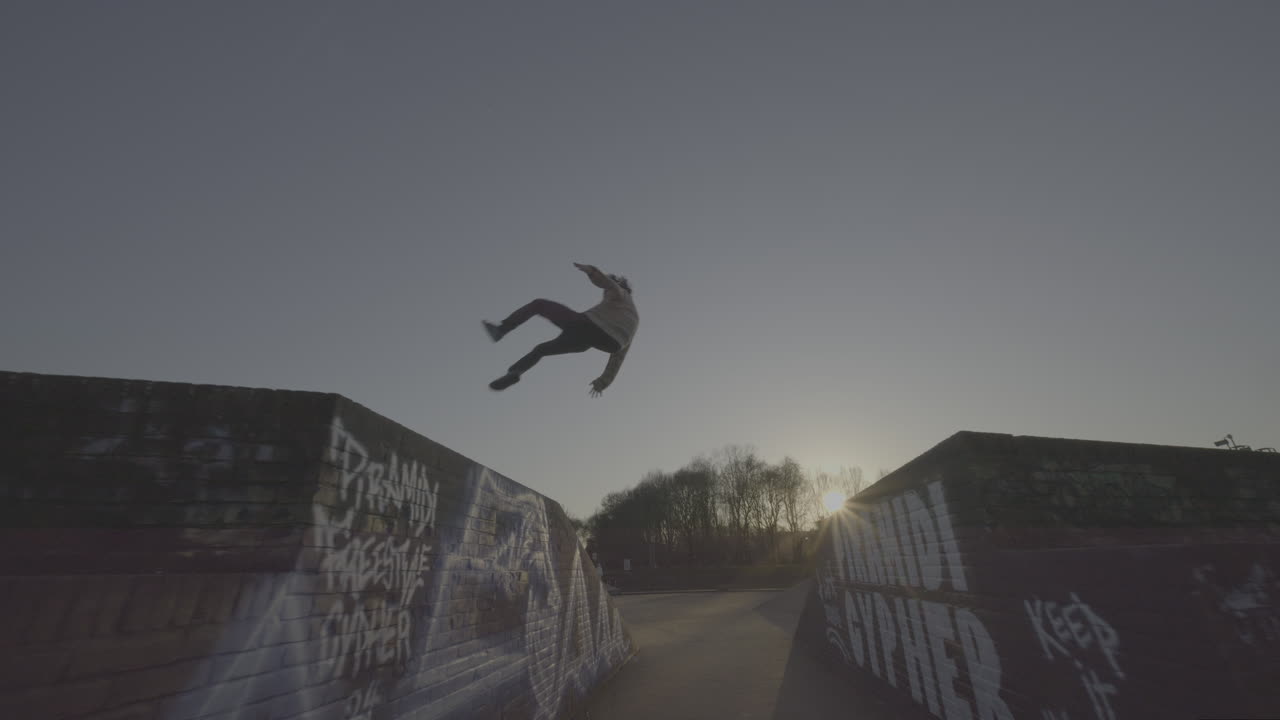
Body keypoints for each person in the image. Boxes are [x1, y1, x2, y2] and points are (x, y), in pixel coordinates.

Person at [483, 263, 638, 396]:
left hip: (585, 327)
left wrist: (591, 271)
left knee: (539, 304)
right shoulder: (634, 319)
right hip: (606, 343)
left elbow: (609, 284)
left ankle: (501, 330)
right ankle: (514, 373)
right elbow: (619, 355)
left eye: (605, 293)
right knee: (541, 349)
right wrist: (603, 382)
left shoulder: (620, 294)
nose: (604, 295)